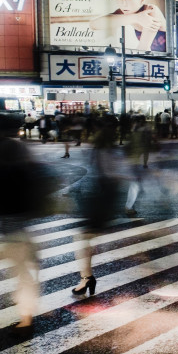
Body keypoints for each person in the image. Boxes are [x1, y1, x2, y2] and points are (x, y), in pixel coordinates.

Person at [0, 114, 54, 339]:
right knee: (26, 269)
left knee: (22, 274)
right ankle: (28, 314)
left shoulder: (5, 154)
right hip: (20, 222)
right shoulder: (21, 152)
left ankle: (26, 321)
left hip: (12, 225)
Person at [72, 116, 121, 301]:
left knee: (83, 239)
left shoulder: (103, 149)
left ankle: (87, 279)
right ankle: (87, 278)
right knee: (85, 239)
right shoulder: (107, 148)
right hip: (102, 199)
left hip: (102, 200)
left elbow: (111, 175)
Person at [89, 0, 166, 52]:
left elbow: (143, 49)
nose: (123, 4)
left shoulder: (150, 11)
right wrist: (136, 18)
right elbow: (93, 25)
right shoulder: (125, 12)